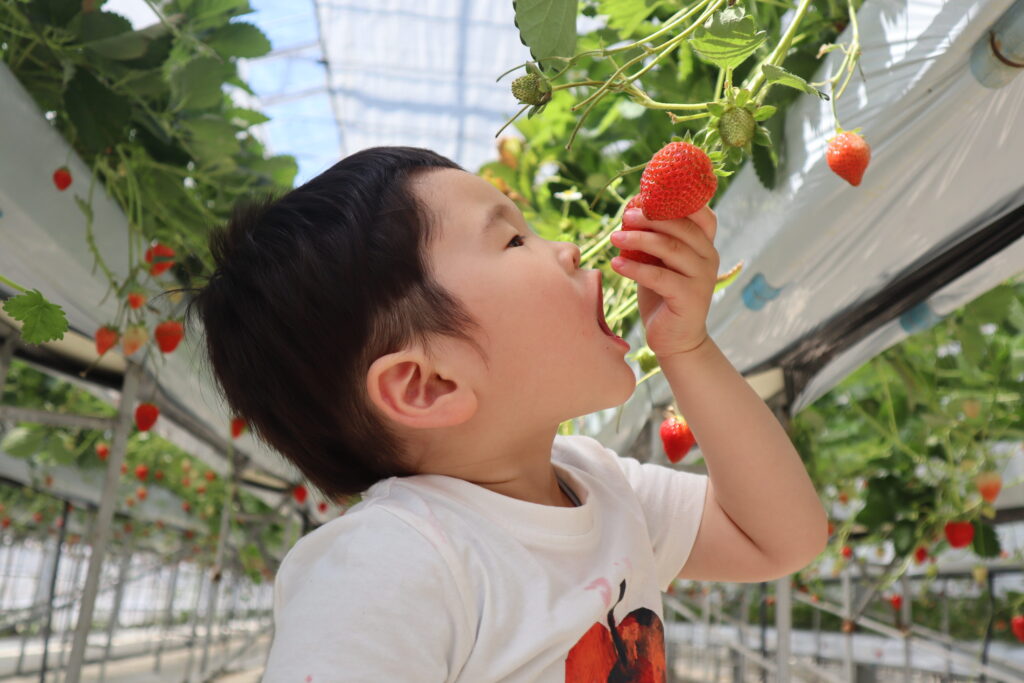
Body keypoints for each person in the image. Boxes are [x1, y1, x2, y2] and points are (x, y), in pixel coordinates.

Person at [183, 146, 828, 681]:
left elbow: (780, 538)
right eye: (515, 239)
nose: (568, 248)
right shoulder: (390, 566)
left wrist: (688, 349)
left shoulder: (601, 484)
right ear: (428, 384)